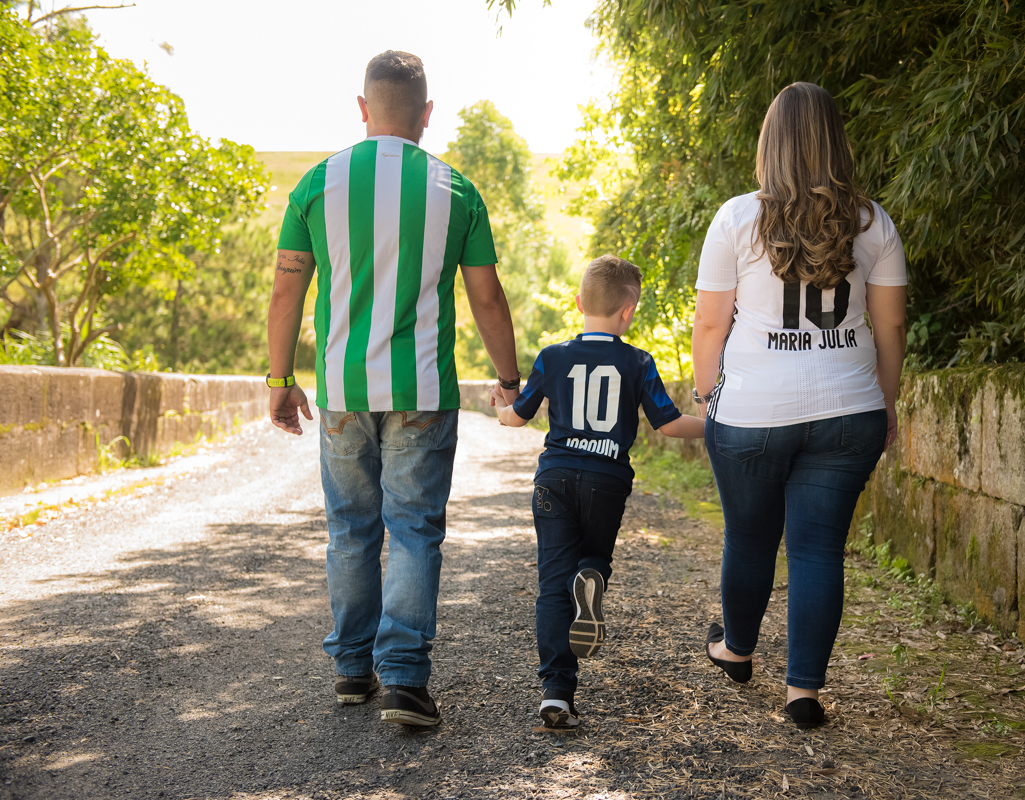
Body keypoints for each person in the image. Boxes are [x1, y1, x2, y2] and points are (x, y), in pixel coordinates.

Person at [266, 50, 521, 728]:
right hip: (423, 392)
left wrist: (279, 378)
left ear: (363, 109)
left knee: (350, 530)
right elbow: (488, 298)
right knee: (411, 531)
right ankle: (404, 682)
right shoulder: (456, 191)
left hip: (343, 392)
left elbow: (286, 288)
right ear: (427, 115)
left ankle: (353, 670)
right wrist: (507, 378)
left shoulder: (317, 185)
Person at [690, 82, 907, 729]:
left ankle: (736, 650)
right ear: (835, 141)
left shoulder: (735, 219)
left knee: (750, 538)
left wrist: (709, 398)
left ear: (769, 143)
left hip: (753, 410)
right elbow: (891, 330)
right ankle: (804, 692)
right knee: (817, 549)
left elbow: (709, 327)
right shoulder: (873, 223)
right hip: (849, 411)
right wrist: (886, 403)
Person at [491, 255, 706, 730]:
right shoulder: (638, 361)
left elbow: (519, 416)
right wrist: (717, 428)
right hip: (607, 480)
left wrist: (502, 408)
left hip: (555, 478)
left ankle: (557, 694)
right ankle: (591, 574)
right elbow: (669, 424)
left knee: (552, 584)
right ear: (628, 312)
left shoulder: (552, 356)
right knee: (593, 559)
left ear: (578, 302)